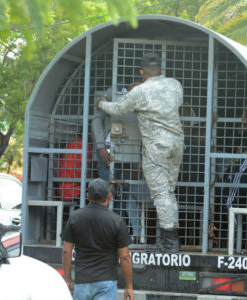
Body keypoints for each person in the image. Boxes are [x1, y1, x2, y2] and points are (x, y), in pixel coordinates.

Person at [97, 52, 184, 253]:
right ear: (162, 71)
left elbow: (118, 109)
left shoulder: (140, 92)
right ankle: (173, 239)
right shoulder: (175, 85)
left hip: (156, 146)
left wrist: (101, 103)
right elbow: (174, 103)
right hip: (176, 144)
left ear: (142, 72)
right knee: (169, 192)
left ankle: (169, 243)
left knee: (161, 193)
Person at [62, 178, 134, 300]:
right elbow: (125, 257)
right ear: (109, 196)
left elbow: (66, 251)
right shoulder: (116, 221)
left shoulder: (75, 218)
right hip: (106, 282)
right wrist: (129, 286)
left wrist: (68, 279)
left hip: (82, 281)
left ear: (87, 196)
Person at [91, 83, 142, 243]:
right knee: (106, 194)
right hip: (107, 153)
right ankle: (105, 236)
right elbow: (96, 120)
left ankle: (116, 236)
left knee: (123, 197)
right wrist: (100, 146)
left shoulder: (144, 98)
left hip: (129, 156)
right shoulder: (112, 93)